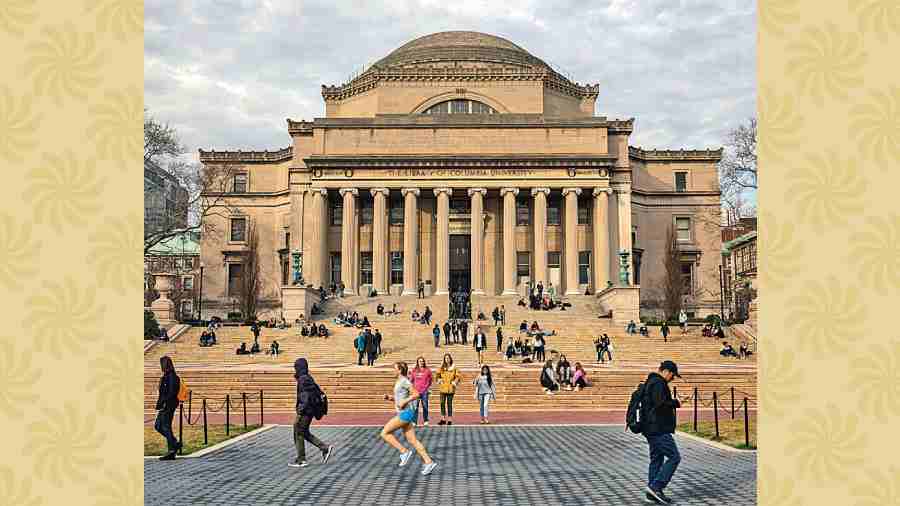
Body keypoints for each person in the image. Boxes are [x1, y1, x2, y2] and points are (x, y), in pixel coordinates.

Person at [380, 361, 438, 476]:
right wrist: (390, 398)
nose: (393, 370)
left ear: (400, 370)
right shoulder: (399, 382)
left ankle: (404, 451)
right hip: (406, 412)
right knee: (413, 440)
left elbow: (416, 394)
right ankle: (428, 462)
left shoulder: (405, 381)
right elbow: (400, 398)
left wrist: (405, 401)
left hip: (405, 413)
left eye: (395, 368)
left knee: (384, 433)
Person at [641, 361, 683, 504]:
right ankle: (656, 487)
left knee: (657, 458)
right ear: (666, 371)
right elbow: (661, 404)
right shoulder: (659, 383)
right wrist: (676, 402)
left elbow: (657, 402)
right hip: (657, 428)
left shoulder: (651, 381)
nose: (672, 378)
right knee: (674, 457)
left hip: (650, 428)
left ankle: (651, 493)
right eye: (672, 375)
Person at [290, 358, 335, 468]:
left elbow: (305, 397)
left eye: (296, 367)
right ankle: (324, 448)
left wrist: (300, 410)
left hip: (306, 411)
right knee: (302, 432)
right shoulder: (307, 378)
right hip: (309, 410)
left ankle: (302, 459)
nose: (295, 369)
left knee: (299, 431)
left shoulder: (303, 379)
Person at [154, 356, 182, 460]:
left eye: (162, 364)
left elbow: (171, 392)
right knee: (158, 426)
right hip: (164, 405)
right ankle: (174, 443)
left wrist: (165, 403)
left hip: (168, 405)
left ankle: (172, 449)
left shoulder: (172, 377)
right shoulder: (166, 376)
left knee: (165, 426)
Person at [435, 354, 461, 426]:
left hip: (450, 388)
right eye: (446, 358)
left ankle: (449, 419)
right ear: (444, 359)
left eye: (448, 358)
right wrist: (439, 380)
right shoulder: (441, 367)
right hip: (443, 388)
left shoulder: (454, 367)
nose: (447, 359)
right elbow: (437, 375)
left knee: (449, 404)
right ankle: (443, 419)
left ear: (450, 359)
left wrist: (454, 382)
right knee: (442, 403)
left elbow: (458, 376)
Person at [410, 357, 433, 427]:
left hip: (424, 392)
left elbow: (431, 380)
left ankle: (425, 420)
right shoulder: (414, 370)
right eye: (420, 361)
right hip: (416, 391)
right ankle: (414, 421)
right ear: (417, 362)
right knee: (415, 407)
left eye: (422, 361)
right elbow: (411, 380)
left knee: (425, 406)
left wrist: (427, 387)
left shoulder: (427, 370)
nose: (421, 362)